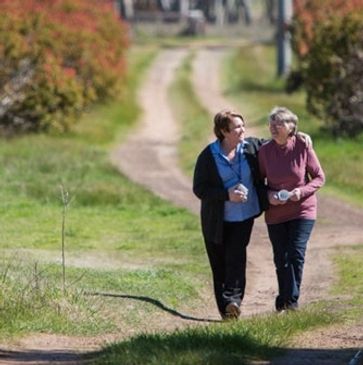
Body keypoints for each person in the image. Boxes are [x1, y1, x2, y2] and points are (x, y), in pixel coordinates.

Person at [193, 109, 269, 320]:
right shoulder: (209, 156)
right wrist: (226, 195)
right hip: (216, 220)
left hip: (244, 217)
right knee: (219, 263)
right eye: (237, 127)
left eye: (242, 125)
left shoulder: (252, 147)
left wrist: (299, 136)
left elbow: (277, 145)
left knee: (236, 258)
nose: (242, 130)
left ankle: (234, 301)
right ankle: (225, 309)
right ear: (224, 132)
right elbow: (199, 189)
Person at [258, 106, 325, 312]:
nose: (274, 127)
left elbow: (320, 178)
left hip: (302, 210)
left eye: (279, 123)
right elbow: (259, 183)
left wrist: (301, 192)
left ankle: (291, 302)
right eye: (271, 123)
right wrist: (269, 196)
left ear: (292, 127)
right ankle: (284, 298)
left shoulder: (303, 146)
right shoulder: (264, 151)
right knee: (281, 257)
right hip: (276, 213)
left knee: (295, 252)